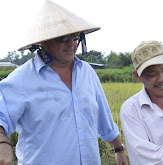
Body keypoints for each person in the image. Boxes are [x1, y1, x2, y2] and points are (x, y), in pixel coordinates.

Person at [0, 1, 127, 164]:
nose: (71, 43)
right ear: (44, 41)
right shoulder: (21, 80)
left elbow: (104, 116)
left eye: (75, 36)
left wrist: (118, 149)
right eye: (63, 37)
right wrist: (3, 142)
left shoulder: (86, 72)